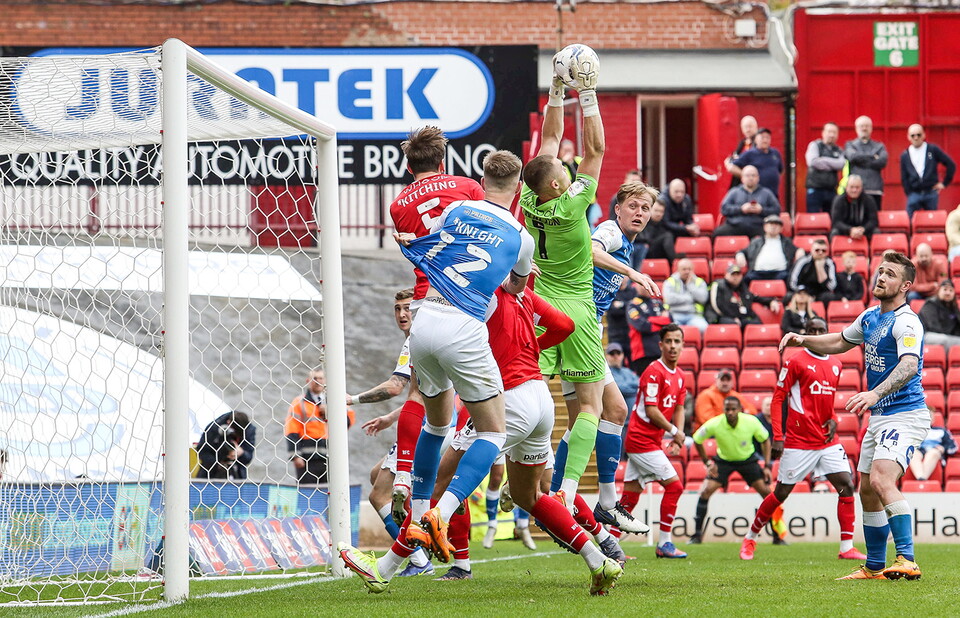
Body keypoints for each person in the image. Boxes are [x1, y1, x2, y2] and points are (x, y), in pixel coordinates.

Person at [384, 149, 534, 567]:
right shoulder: (522, 236)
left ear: (482, 183)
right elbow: (517, 287)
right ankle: (440, 513)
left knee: (435, 421)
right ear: (518, 188)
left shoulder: (460, 210)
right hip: (463, 327)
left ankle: (414, 516)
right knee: (493, 433)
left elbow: (443, 247)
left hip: (424, 318)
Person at [519, 69, 657, 512]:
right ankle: (569, 490)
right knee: (592, 408)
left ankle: (523, 476)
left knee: (530, 397)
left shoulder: (528, 197)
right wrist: (590, 93)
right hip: (577, 311)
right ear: (559, 185)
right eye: (563, 167)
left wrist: (557, 90)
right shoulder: (575, 203)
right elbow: (596, 148)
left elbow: (549, 141)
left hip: (537, 308)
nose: (565, 161)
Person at [780, 250, 928, 580]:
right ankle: (875, 566)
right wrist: (803, 339)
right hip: (880, 416)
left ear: (904, 285)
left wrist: (875, 392)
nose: (880, 277)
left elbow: (908, 365)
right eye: (879, 271)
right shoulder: (870, 317)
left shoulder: (906, 322)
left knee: (881, 479)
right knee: (867, 490)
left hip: (906, 414)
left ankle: (907, 558)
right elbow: (839, 342)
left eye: (889, 274)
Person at [388, 125, 486, 523]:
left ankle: (405, 481)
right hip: (469, 300)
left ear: (409, 166)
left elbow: (413, 251)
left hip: (425, 304)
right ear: (442, 160)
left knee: (425, 406)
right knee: (493, 419)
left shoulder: (398, 205)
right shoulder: (467, 187)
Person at [554, 179, 657, 534]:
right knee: (607, 411)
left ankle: (555, 489)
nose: (639, 213)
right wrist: (632, 273)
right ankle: (597, 501)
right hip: (580, 328)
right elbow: (591, 250)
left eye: (645, 208)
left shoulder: (628, 243)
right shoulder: (611, 231)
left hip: (583, 329)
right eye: (633, 206)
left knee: (594, 417)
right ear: (618, 208)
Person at [740, 317, 867, 561]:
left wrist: (834, 420)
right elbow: (778, 399)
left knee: (846, 485)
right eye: (812, 331)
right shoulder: (795, 361)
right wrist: (778, 437)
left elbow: (826, 403)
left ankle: (846, 547)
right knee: (781, 493)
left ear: (826, 334)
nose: (816, 334)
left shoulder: (836, 364)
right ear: (805, 334)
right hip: (799, 441)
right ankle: (750, 537)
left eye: (821, 331)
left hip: (827, 440)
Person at [351, 288, 434, 577]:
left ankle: (418, 559)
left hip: (425, 429)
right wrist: (389, 417)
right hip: (431, 423)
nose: (402, 314)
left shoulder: (417, 340)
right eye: (397, 309)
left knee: (378, 495)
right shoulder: (429, 338)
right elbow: (422, 394)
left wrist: (351, 399)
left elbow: (395, 386)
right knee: (377, 475)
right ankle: (421, 546)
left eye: (407, 308)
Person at [618, 324, 689, 558]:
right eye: (668, 341)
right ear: (661, 345)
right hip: (640, 441)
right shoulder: (653, 371)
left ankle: (610, 545)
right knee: (675, 486)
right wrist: (674, 431)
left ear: (682, 345)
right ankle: (665, 543)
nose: (673, 346)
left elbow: (679, 408)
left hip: (650, 442)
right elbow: (651, 410)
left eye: (677, 341)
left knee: (630, 495)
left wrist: (677, 435)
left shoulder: (679, 376)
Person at [689, 396, 774, 544]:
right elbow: (697, 439)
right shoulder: (715, 423)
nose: (730, 412)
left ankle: (778, 536)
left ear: (740, 410)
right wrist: (707, 463)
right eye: (727, 409)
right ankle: (697, 535)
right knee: (705, 491)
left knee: (768, 495)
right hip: (724, 461)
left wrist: (767, 466)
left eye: (733, 409)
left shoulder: (751, 421)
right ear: (723, 410)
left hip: (748, 460)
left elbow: (765, 440)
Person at [285, 369, 356, 485]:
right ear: (308, 381)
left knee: (331, 493)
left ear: (326, 381)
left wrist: (331, 412)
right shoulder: (299, 402)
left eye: (320, 378)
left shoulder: (336, 401)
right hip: (307, 458)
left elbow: (348, 422)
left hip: (331, 457)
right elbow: (291, 429)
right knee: (307, 493)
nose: (317, 381)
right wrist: (295, 456)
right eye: (314, 378)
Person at [900, 124, 956, 217]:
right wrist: (909, 192)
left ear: (924, 135)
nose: (916, 138)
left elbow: (951, 164)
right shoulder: (905, 155)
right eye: (913, 135)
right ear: (908, 137)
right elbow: (904, 176)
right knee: (909, 221)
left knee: (932, 221)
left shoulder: (932, 149)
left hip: (930, 192)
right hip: (914, 193)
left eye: (919, 134)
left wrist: (944, 183)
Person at [706, 263, 781, 328]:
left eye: (738, 274)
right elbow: (717, 306)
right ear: (726, 275)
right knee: (733, 325)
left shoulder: (743, 287)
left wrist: (771, 301)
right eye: (733, 274)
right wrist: (733, 317)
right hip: (722, 316)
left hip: (741, 317)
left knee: (757, 323)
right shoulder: (719, 285)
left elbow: (754, 297)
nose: (735, 277)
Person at [714, 165, 780, 238]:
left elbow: (777, 210)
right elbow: (724, 209)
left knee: (774, 235)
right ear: (742, 178)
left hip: (759, 226)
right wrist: (741, 209)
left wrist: (762, 210)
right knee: (717, 233)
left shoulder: (766, 193)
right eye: (747, 176)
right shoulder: (734, 192)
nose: (751, 178)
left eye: (753, 175)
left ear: (758, 178)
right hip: (736, 225)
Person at [736, 213, 798, 282]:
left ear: (781, 229)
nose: (773, 227)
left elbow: (796, 250)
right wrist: (740, 254)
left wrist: (800, 251)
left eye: (776, 225)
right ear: (765, 227)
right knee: (745, 279)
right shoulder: (756, 241)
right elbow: (744, 251)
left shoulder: (786, 242)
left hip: (780, 273)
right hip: (758, 272)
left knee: (788, 278)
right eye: (771, 224)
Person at [843, 115, 888, 210]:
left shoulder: (879, 146)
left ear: (871, 128)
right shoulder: (850, 144)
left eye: (867, 126)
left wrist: (860, 159)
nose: (864, 128)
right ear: (856, 128)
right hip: (855, 191)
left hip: (874, 190)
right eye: (861, 126)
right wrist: (872, 157)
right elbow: (852, 157)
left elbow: (882, 161)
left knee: (874, 220)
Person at [195, 411, 254, 480]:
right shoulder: (214, 428)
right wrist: (218, 464)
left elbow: (248, 457)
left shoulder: (249, 430)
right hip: (211, 474)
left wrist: (241, 453)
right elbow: (202, 451)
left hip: (238, 474)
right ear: (228, 423)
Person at [693, 368, 758, 430]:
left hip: (732, 430)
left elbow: (752, 411)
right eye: (722, 380)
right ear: (716, 381)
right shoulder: (705, 395)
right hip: (709, 433)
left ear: (732, 382)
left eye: (728, 380)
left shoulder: (736, 396)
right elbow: (707, 420)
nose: (725, 383)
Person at [730, 127, 784, 199]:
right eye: (762, 138)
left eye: (767, 138)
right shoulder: (750, 153)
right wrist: (746, 176)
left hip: (773, 194)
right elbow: (732, 167)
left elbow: (781, 170)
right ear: (756, 140)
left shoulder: (775, 153)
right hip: (756, 195)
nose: (765, 140)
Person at [626, 287, 670, 377]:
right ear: (637, 287)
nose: (646, 287)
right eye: (642, 285)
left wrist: (650, 320)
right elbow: (643, 326)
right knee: (646, 386)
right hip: (643, 354)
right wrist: (660, 322)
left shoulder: (658, 303)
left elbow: (669, 321)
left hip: (661, 351)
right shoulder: (632, 305)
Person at [805, 122, 846, 213]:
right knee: (814, 218)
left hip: (831, 190)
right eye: (829, 132)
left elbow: (841, 164)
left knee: (832, 218)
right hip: (815, 189)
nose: (832, 135)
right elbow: (812, 162)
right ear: (823, 133)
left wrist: (823, 160)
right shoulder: (815, 145)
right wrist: (832, 164)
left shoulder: (838, 149)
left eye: (834, 132)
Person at [908, 408, 957, 481]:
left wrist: (944, 448)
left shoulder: (941, 431)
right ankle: (921, 478)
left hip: (934, 451)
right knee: (912, 454)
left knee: (933, 453)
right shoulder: (915, 432)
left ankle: (922, 479)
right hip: (919, 451)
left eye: (930, 416)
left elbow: (953, 447)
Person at [662, 258, 709, 332]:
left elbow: (703, 299)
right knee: (669, 330)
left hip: (694, 315)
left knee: (704, 328)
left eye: (689, 269)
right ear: (678, 270)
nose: (687, 272)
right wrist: (690, 299)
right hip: (674, 315)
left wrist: (690, 285)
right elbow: (669, 300)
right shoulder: (670, 282)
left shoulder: (699, 282)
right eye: (684, 269)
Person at [830, 175, 878, 241]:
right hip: (845, 230)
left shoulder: (869, 200)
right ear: (846, 187)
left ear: (861, 188)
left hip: (863, 230)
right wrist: (850, 230)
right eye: (852, 187)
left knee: (876, 232)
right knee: (834, 232)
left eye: (857, 187)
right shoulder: (839, 200)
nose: (854, 190)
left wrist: (863, 229)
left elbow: (873, 221)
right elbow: (836, 222)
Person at [918, 279, 960, 351]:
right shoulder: (931, 304)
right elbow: (932, 326)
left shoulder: (953, 307)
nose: (948, 293)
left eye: (951, 290)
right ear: (939, 291)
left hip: (947, 336)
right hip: (927, 335)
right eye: (945, 289)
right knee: (945, 340)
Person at [633, 200, 676, 265]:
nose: (659, 214)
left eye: (661, 211)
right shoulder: (642, 221)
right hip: (643, 251)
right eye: (656, 211)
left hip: (657, 252)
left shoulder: (664, 223)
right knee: (668, 236)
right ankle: (674, 262)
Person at [605, 343, 639, 423]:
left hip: (633, 421)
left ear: (622, 355)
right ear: (606, 356)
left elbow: (640, 385)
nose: (615, 356)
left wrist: (626, 387)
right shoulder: (606, 373)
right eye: (612, 353)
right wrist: (634, 388)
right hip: (616, 421)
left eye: (618, 353)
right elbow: (618, 388)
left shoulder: (628, 372)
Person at [725, 115, 758, 188]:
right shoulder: (742, 143)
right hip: (739, 183)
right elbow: (734, 157)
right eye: (745, 127)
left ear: (756, 128)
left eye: (750, 126)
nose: (748, 129)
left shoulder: (759, 144)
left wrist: (734, 168)